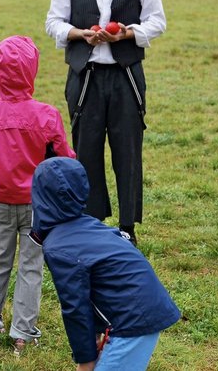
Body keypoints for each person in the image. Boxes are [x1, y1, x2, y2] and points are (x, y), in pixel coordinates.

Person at [44, 0, 166, 245]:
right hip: (85, 77)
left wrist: (128, 33)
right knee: (85, 151)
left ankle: (128, 227)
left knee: (128, 151)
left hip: (126, 76)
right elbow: (53, 22)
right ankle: (90, 223)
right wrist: (80, 34)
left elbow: (157, 21)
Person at [0, 35, 75, 354]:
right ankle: (22, 333)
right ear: (32, 70)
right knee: (31, 264)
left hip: (1, 200)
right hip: (38, 206)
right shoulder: (46, 115)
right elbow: (62, 158)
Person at [30, 157, 180, 370]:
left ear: (39, 197)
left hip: (131, 322)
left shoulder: (58, 248)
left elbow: (76, 307)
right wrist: (98, 334)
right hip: (143, 307)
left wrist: (86, 360)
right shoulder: (90, 225)